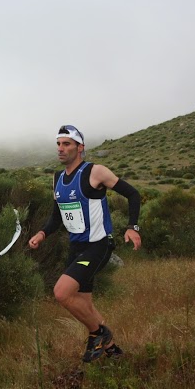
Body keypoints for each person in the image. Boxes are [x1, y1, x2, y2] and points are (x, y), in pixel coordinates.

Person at [28, 124, 142, 363]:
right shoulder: (57, 178)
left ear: (80, 148)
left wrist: (132, 227)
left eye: (66, 144)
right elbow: (57, 216)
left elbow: (133, 194)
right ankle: (112, 351)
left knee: (61, 292)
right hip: (76, 247)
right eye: (58, 144)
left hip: (98, 245)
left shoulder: (95, 171)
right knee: (84, 305)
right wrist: (41, 234)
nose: (61, 148)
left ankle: (98, 334)